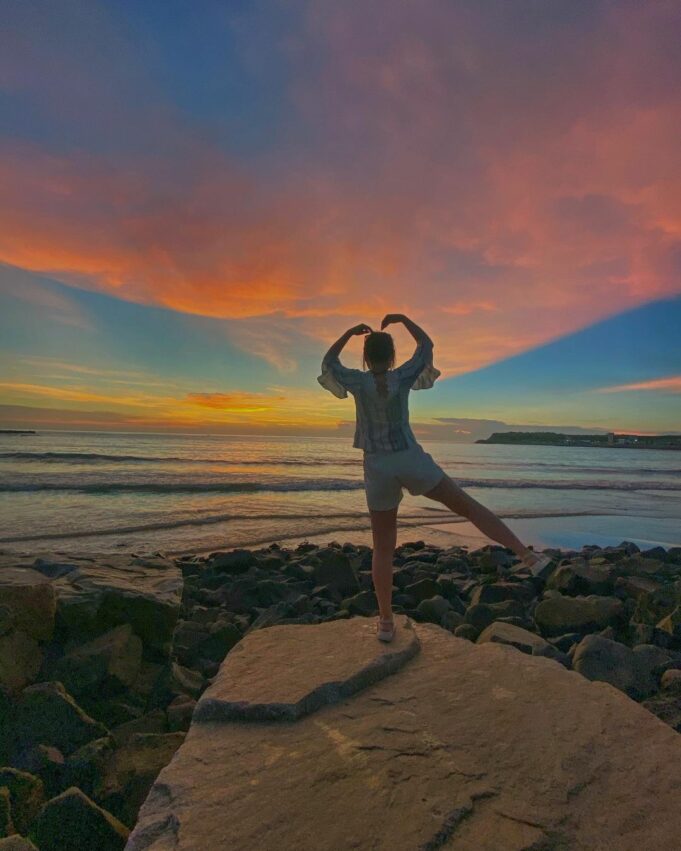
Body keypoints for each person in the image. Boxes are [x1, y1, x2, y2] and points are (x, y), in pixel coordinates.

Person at [317, 313, 553, 642]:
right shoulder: (401, 377)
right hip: (411, 459)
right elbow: (426, 346)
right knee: (468, 507)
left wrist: (347, 333)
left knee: (383, 548)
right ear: (392, 356)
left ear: (367, 358)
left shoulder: (358, 382)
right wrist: (403, 320)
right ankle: (527, 555)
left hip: (378, 467)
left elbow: (329, 362)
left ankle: (385, 622)